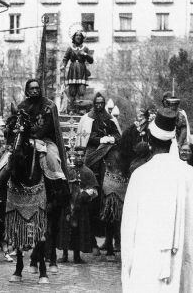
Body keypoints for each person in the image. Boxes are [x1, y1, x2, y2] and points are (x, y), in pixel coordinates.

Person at [121, 110, 193, 292]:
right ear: (172, 140)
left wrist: (128, 269)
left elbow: (128, 228)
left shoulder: (140, 175)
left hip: (148, 257)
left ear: (149, 141)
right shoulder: (188, 174)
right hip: (182, 258)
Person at [17, 79, 69, 271]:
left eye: (37, 88)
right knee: (9, 159)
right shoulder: (21, 106)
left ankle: (58, 185)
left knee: (53, 157)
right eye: (31, 88)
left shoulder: (49, 106)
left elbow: (48, 127)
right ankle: (1, 185)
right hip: (25, 141)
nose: (35, 91)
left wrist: (36, 137)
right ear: (26, 90)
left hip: (44, 141)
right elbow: (17, 125)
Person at [76, 92, 122, 256]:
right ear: (94, 104)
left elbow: (118, 135)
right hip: (93, 151)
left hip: (108, 150)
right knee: (87, 168)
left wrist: (110, 138)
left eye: (102, 103)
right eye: (97, 103)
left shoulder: (111, 118)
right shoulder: (86, 119)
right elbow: (83, 139)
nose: (100, 105)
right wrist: (99, 140)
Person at [62, 146, 99, 264]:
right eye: (77, 155)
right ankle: (64, 255)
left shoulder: (88, 172)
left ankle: (77, 256)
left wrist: (86, 194)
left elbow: (94, 190)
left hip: (81, 207)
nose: (79, 158)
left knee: (78, 231)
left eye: (82, 155)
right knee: (65, 230)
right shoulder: (66, 170)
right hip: (67, 205)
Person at [61, 27, 94, 113]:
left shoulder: (85, 48)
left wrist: (85, 54)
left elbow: (91, 61)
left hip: (82, 70)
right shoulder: (70, 48)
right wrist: (63, 66)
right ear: (74, 37)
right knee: (72, 91)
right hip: (73, 70)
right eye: (77, 35)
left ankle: (81, 109)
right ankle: (71, 110)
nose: (78, 37)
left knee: (81, 90)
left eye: (80, 35)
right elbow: (65, 59)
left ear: (82, 38)